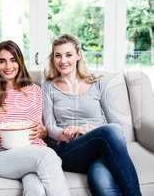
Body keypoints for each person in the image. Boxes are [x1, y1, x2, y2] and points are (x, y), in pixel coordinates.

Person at [43, 34, 142, 196]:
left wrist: (91, 130)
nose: (63, 61)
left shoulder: (97, 82)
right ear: (53, 58)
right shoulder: (48, 86)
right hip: (70, 150)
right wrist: (65, 133)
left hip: (100, 146)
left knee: (101, 183)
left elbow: (117, 125)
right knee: (109, 133)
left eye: (68, 55)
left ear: (78, 55)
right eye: (58, 56)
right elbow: (49, 126)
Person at [0, 40, 70, 196]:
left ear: (20, 62)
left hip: (34, 151)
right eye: (2, 61)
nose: (8, 66)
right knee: (48, 156)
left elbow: (44, 130)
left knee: (36, 189)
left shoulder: (35, 91)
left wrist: (42, 131)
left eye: (13, 60)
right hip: (2, 155)